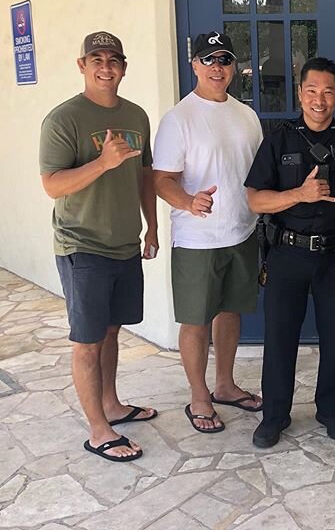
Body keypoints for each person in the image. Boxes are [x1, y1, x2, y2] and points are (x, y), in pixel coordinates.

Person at [39, 31, 158, 462]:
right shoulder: (64, 119)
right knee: (87, 340)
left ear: (124, 67)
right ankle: (97, 430)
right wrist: (103, 162)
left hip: (124, 243)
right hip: (81, 245)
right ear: (82, 65)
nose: (105, 67)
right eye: (96, 60)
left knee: (112, 330)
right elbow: (52, 185)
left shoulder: (137, 116)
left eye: (113, 59)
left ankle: (112, 406)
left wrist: (152, 228)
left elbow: (145, 177)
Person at [245, 57, 335, 448]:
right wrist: (299, 194)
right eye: (311, 90)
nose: (319, 99)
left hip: (332, 257)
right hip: (287, 253)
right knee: (279, 337)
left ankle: (331, 410)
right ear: (300, 92)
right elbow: (255, 200)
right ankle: (274, 415)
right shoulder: (278, 140)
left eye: (328, 91)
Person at [153, 31, 263, 433]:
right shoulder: (179, 118)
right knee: (196, 321)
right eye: (208, 59)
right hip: (198, 239)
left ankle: (225, 385)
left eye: (225, 59)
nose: (217, 67)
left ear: (233, 66)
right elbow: (162, 179)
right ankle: (199, 397)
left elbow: (254, 174)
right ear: (194, 65)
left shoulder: (246, 115)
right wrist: (187, 202)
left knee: (230, 311)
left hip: (241, 231)